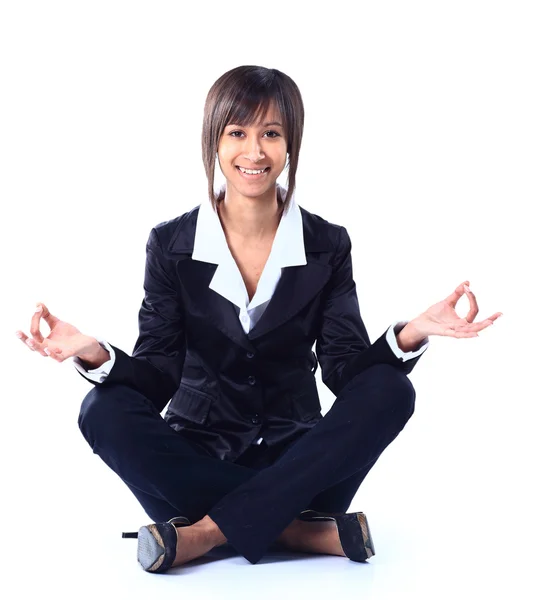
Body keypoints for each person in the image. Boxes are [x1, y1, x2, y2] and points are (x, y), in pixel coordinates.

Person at [16, 65, 502, 573]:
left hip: (301, 463)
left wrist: (412, 333)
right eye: (237, 133)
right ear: (214, 142)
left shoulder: (327, 244)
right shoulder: (171, 244)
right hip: (197, 463)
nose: (254, 151)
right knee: (102, 409)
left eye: (271, 133)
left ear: (291, 144)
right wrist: (95, 353)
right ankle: (301, 531)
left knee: (392, 389)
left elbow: (343, 368)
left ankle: (205, 534)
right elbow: (158, 375)